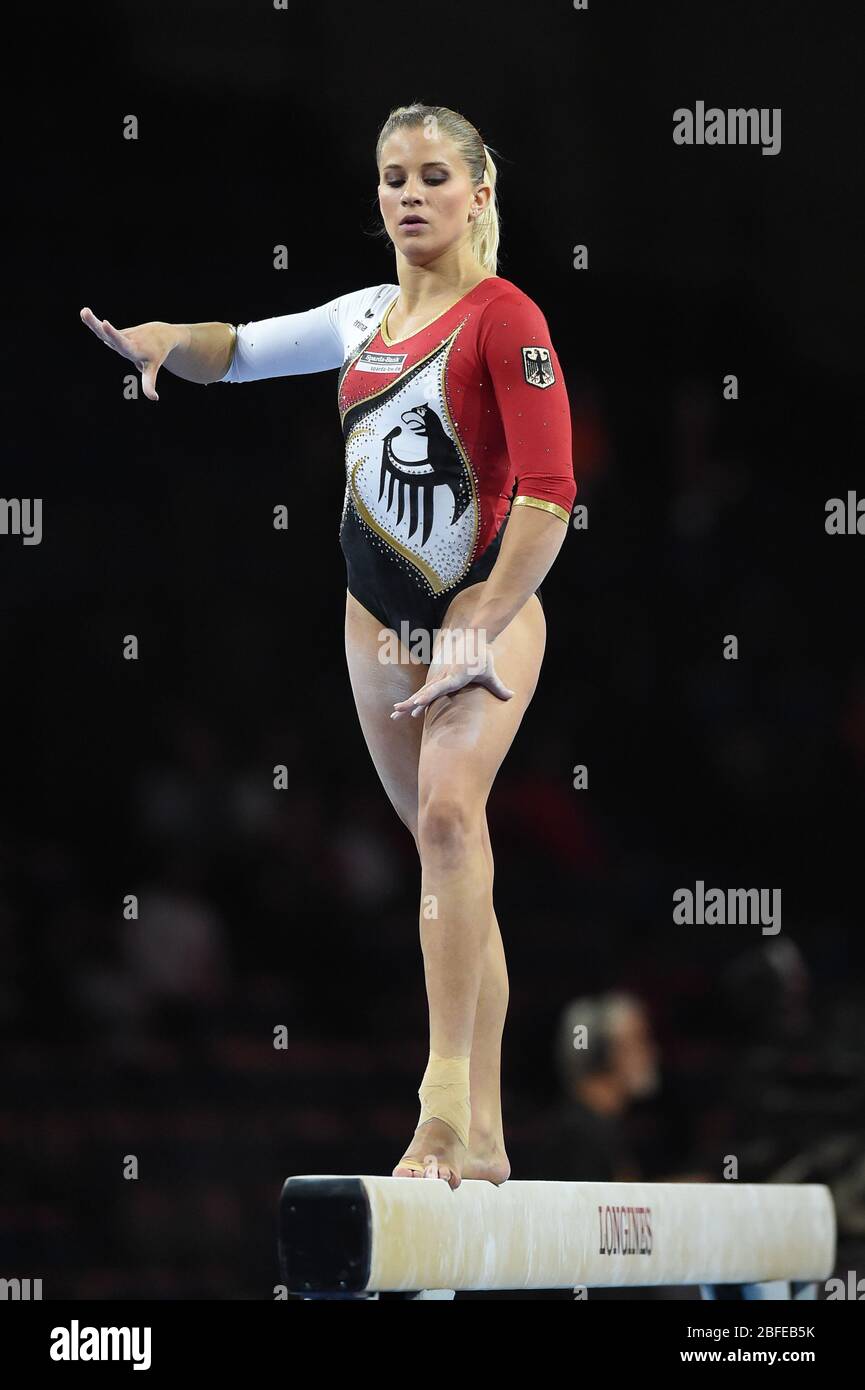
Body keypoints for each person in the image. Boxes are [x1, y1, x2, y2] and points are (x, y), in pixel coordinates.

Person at [80, 102, 577, 1189]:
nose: (409, 193)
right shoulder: (365, 317)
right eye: (393, 176)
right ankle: (486, 1132)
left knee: (452, 816)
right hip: (373, 626)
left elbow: (548, 495)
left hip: (480, 616)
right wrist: (169, 341)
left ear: (479, 193)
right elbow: (244, 352)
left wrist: (480, 622)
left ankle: (441, 1112)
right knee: (447, 858)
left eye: (434, 176)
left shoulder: (505, 318)